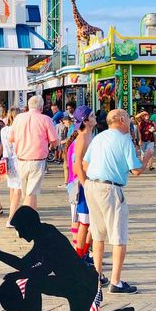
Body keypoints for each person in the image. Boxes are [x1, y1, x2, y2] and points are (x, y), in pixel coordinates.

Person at [0, 206, 133, 311]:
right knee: (34, 283)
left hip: (83, 286)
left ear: (29, 225)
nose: (19, 235)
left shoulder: (49, 237)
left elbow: (44, 270)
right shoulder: (42, 234)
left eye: (20, 229)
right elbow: (25, 264)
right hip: (70, 284)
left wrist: (16, 276)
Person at [82, 109, 142, 293]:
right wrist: (146, 159)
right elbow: (136, 170)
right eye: (129, 118)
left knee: (98, 234)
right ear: (122, 120)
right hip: (111, 188)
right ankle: (116, 281)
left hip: (92, 185)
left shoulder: (99, 137)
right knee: (118, 235)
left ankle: (97, 275)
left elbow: (85, 164)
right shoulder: (124, 140)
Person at [8, 95, 58, 211]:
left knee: (28, 193)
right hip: (37, 160)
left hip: (21, 160)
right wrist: (51, 145)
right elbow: (54, 141)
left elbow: (11, 138)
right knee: (31, 193)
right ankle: (26, 223)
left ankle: (33, 220)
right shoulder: (46, 119)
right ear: (41, 107)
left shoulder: (19, 118)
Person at [65, 106, 97, 269]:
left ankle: (83, 253)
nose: (95, 117)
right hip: (82, 184)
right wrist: (86, 184)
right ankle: (80, 256)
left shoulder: (87, 136)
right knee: (85, 222)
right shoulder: (83, 137)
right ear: (85, 120)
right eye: (92, 115)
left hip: (84, 183)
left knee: (88, 222)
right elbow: (77, 163)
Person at [0, 107, 22, 228]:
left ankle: (12, 213)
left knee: (12, 189)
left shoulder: (4, 130)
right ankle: (11, 218)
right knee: (17, 191)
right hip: (17, 161)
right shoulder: (18, 130)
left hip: (7, 160)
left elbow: (4, 147)